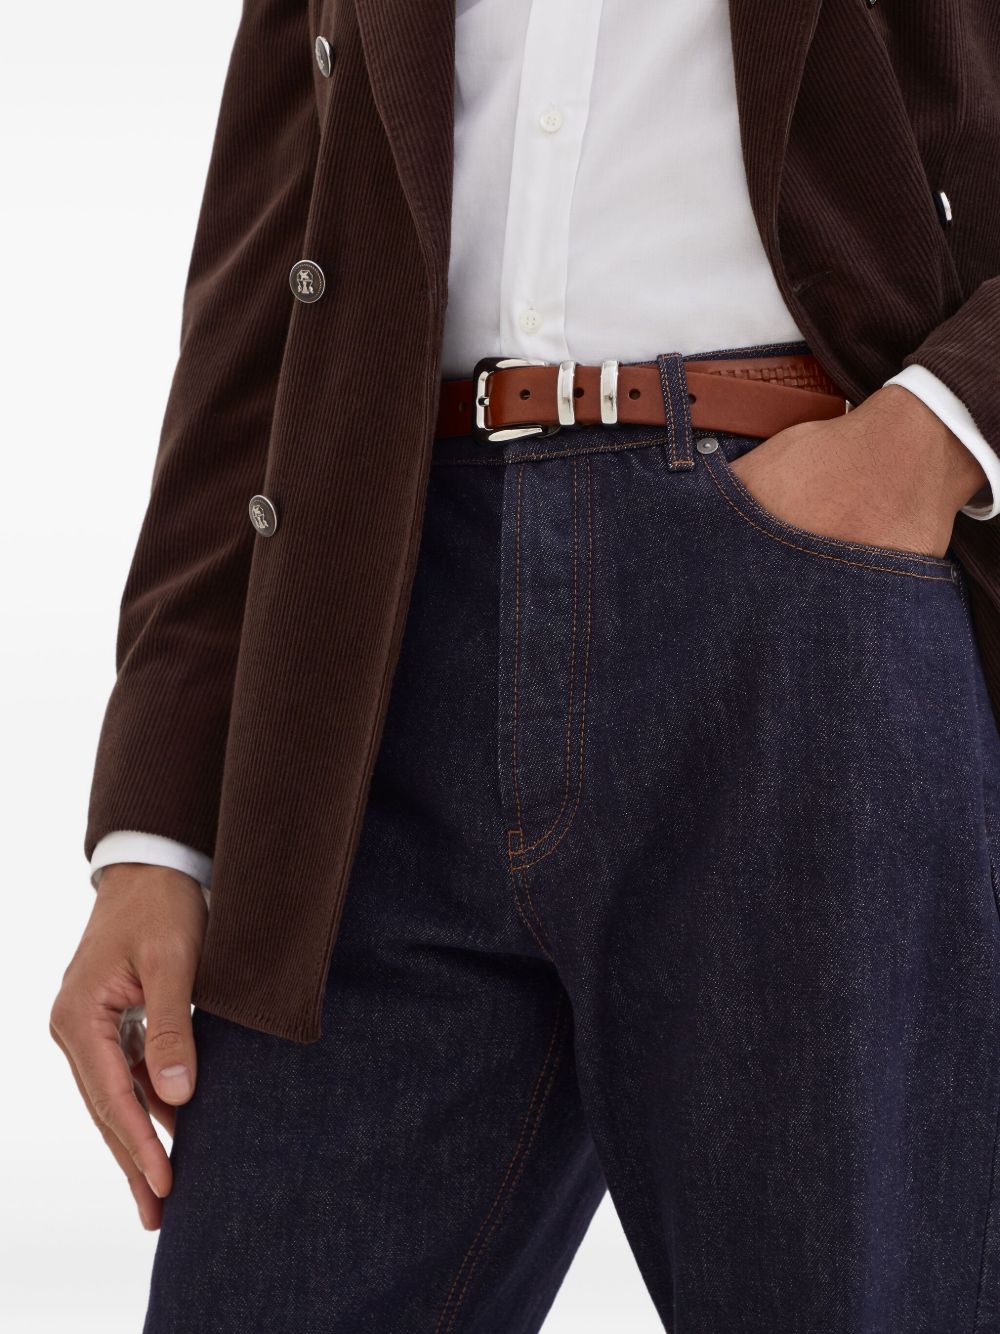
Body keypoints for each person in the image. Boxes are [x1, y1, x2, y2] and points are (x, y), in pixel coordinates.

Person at [50, 1, 1000, 1329]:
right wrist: (155, 836)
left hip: (792, 614)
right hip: (373, 640)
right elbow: (264, 288)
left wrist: (935, 434)